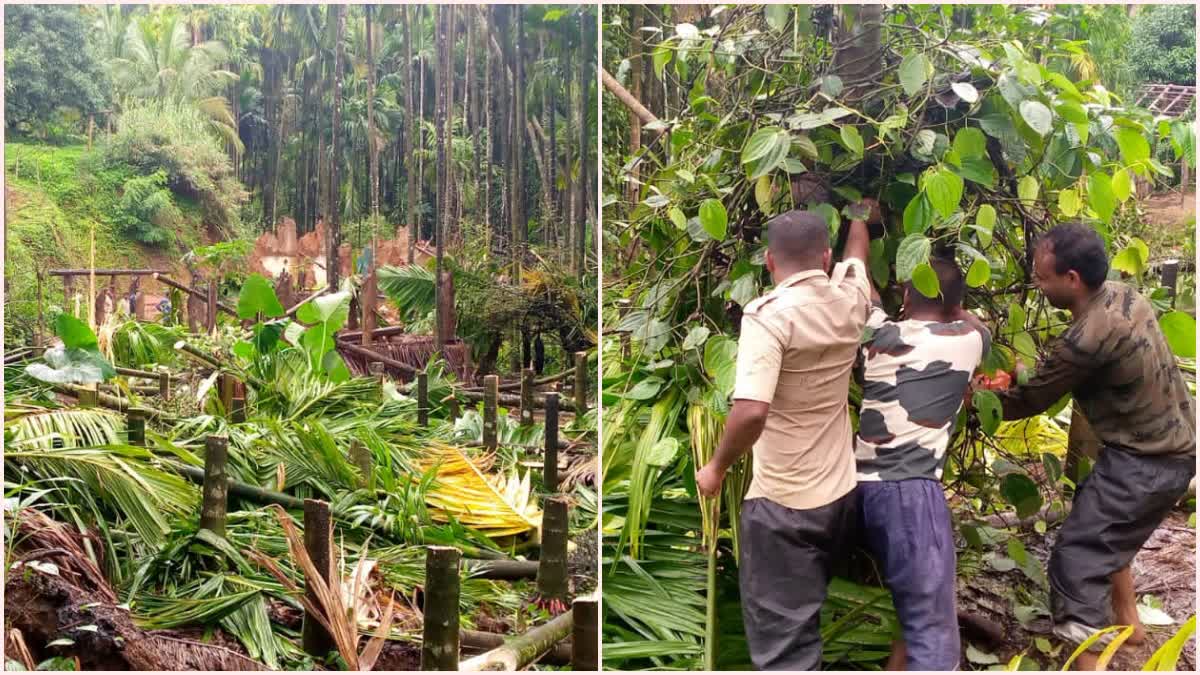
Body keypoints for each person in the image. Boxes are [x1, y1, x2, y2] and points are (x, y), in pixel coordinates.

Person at [978, 222, 1196, 670]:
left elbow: (1030, 401)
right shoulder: (1124, 295)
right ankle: (1130, 624)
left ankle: (1088, 659)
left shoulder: (1084, 340)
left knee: (1076, 560)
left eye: (1042, 278)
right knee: (1099, 523)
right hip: (1174, 448)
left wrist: (975, 397)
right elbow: (1057, 374)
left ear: (1072, 280)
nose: (1037, 285)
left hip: (1145, 465)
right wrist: (1019, 373)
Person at [695, 204, 873, 670]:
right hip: (839, 498)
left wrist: (716, 468)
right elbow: (860, 262)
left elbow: (752, 410)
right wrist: (859, 218)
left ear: (769, 262)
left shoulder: (768, 317)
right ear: (826, 257)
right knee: (803, 625)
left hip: (783, 509)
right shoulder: (851, 300)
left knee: (784, 655)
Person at [854, 255, 990, 670]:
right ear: (955, 304)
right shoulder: (968, 341)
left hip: (859, 488)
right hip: (911, 495)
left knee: (913, 611)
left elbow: (864, 288)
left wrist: (861, 227)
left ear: (908, 295)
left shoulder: (881, 334)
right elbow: (979, 325)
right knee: (932, 629)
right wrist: (952, 303)